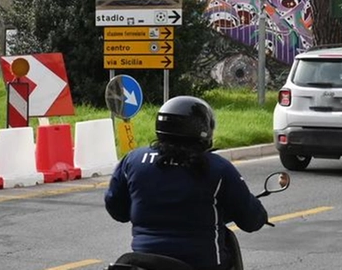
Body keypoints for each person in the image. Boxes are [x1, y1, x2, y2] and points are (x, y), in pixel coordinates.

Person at [104, 96, 269, 270]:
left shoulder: (133, 160)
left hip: (143, 263)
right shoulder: (217, 168)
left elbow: (117, 210)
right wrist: (259, 215)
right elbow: (250, 220)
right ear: (203, 129)